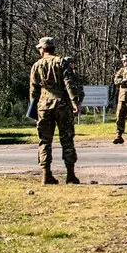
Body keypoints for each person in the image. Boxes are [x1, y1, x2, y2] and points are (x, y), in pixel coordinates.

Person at [29, 36, 79, 185]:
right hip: (62, 104)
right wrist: (75, 102)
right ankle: (70, 175)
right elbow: (69, 83)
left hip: (43, 106)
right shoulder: (61, 62)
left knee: (44, 141)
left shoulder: (36, 65)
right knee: (67, 139)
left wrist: (32, 108)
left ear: (43, 50)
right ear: (53, 49)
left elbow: (33, 90)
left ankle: (46, 174)